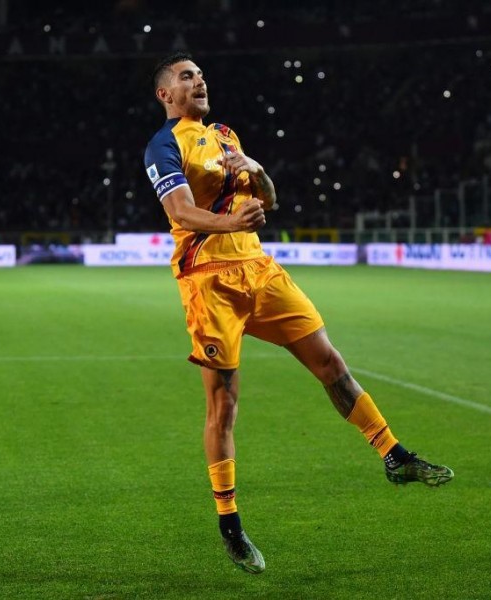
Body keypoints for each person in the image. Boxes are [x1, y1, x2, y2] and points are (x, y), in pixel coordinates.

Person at [143, 52, 453, 575]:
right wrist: (232, 221)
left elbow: (269, 199)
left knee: (331, 363)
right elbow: (178, 212)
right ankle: (230, 523)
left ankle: (394, 455)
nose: (199, 81)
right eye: (186, 76)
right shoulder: (163, 144)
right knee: (224, 402)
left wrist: (258, 173)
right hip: (209, 281)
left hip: (261, 271)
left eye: (201, 74)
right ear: (165, 94)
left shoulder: (226, 135)